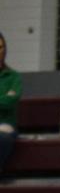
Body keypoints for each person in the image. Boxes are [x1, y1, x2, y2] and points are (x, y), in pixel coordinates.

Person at [0, 33, 18, 176]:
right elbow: (6, 99)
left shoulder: (14, 76)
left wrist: (7, 99)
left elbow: (11, 102)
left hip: (5, 125)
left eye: (1, 47)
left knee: (3, 137)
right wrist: (4, 97)